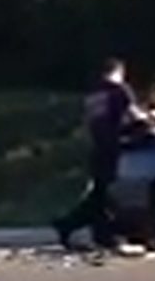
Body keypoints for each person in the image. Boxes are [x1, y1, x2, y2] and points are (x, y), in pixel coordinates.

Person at [52, 56, 145, 252]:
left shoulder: (93, 95)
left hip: (97, 148)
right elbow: (134, 117)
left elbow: (90, 123)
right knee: (107, 193)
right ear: (119, 72)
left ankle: (85, 228)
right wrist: (150, 122)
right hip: (115, 149)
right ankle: (96, 232)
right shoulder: (119, 91)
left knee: (100, 193)